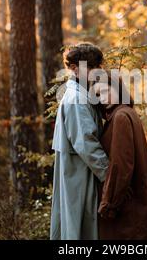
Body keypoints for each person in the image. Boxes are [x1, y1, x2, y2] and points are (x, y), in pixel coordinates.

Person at [50, 43, 109, 240]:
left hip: (80, 172)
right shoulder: (76, 99)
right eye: (90, 67)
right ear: (74, 68)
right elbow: (86, 144)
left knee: (78, 227)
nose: (95, 72)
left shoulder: (83, 95)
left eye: (96, 66)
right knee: (79, 229)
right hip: (78, 175)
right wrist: (110, 175)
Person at [94, 73, 147, 240]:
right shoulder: (128, 112)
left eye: (105, 91)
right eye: (98, 94)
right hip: (134, 200)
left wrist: (109, 204)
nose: (103, 98)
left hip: (126, 204)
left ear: (118, 88)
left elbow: (121, 165)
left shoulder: (120, 117)